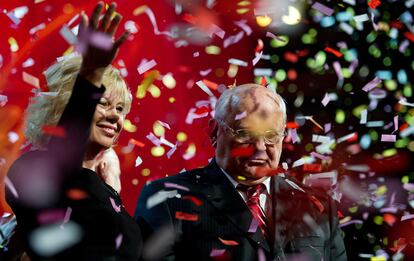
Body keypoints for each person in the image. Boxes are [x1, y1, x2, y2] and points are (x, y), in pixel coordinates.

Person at [135, 84, 347, 260]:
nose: (261, 146)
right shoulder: (167, 200)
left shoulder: (318, 207)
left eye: (272, 135)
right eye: (246, 133)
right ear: (214, 132)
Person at [5, 2, 142, 260]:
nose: (115, 115)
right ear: (63, 107)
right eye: (103, 103)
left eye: (121, 108)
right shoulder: (32, 168)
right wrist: (90, 76)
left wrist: (112, 189)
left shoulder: (105, 187)